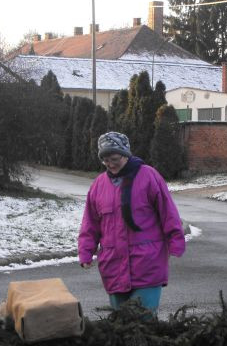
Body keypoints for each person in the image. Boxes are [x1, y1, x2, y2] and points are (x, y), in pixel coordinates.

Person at [78, 132, 185, 314]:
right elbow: (90, 222)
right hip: (113, 267)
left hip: (147, 263)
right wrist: (85, 251)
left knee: (143, 321)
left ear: (126, 154)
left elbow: (168, 212)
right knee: (121, 326)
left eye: (114, 159)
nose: (110, 164)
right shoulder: (99, 185)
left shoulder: (149, 176)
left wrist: (175, 240)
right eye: (105, 160)